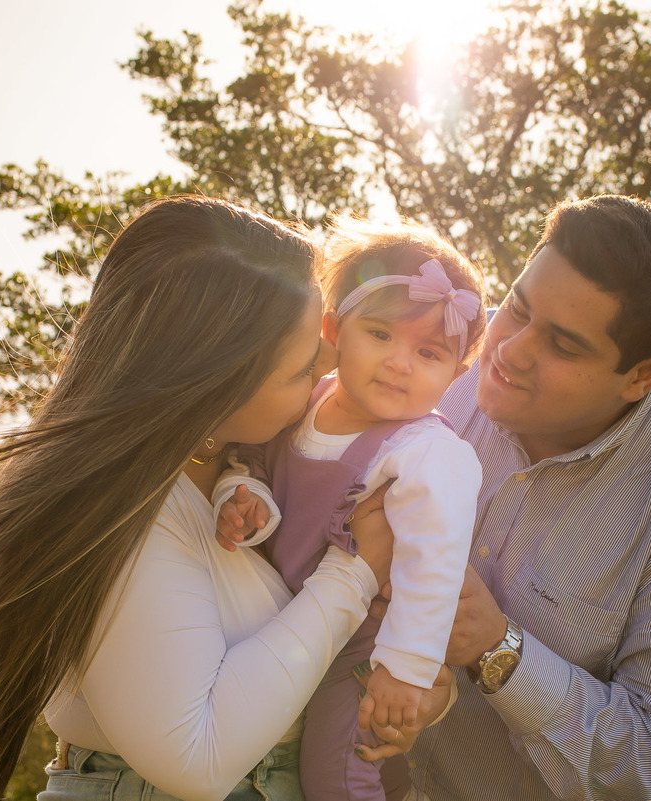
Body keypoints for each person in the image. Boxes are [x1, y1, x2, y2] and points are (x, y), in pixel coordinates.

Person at [0, 196, 407, 801]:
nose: (334, 366)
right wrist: (352, 570)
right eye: (305, 367)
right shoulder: (129, 516)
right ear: (213, 385)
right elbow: (195, 757)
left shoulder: (241, 477)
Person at [362, 195, 651, 801]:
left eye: (563, 346)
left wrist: (496, 649)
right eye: (518, 307)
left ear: (645, 374)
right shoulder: (436, 354)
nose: (509, 350)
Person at [212, 220, 487, 801]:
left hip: (362, 644)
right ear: (334, 331)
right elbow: (251, 457)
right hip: (286, 615)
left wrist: (405, 666)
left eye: (429, 352)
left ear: (456, 374)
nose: (400, 362)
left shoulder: (427, 452)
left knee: (337, 769)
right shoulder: (302, 399)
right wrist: (244, 495)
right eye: (381, 334)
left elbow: (433, 561)